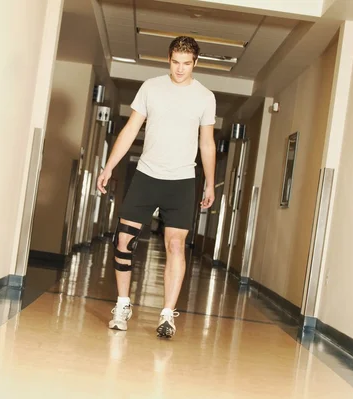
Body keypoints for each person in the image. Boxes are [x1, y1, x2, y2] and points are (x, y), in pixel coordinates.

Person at [96, 36, 216, 338]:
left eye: (186, 64)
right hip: (147, 176)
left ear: (195, 63)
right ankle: (122, 305)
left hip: (182, 181)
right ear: (169, 59)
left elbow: (207, 143)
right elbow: (130, 129)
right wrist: (108, 167)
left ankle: (166, 316)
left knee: (175, 245)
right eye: (176, 62)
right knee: (123, 241)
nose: (180, 69)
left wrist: (210, 184)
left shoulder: (205, 97)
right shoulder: (151, 88)